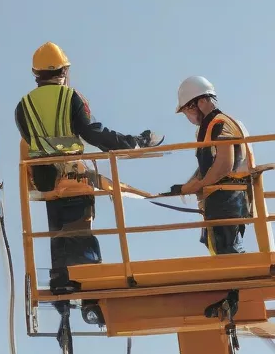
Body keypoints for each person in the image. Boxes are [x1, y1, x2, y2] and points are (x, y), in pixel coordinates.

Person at [14, 41, 162, 300]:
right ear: (63, 70)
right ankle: (91, 285)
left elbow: (30, 141)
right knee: (79, 230)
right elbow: (93, 133)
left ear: (36, 74)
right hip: (72, 178)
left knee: (57, 233)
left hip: (46, 182)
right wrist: (133, 142)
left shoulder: (23, 106)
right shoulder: (71, 97)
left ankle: (60, 281)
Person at [170, 76, 252, 255]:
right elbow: (208, 166)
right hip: (220, 199)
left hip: (228, 199)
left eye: (187, 110)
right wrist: (186, 186)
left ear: (200, 102)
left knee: (227, 251)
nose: (188, 116)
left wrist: (198, 185)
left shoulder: (220, 123)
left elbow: (224, 164)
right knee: (218, 247)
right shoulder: (207, 128)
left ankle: (236, 282)